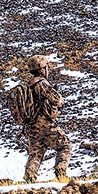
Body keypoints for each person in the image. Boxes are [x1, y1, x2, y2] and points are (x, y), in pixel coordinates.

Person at [23, 54, 71, 183]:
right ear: (42, 69)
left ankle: (30, 178)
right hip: (45, 124)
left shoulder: (28, 85)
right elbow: (57, 99)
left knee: (35, 154)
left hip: (32, 127)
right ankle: (60, 172)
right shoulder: (42, 83)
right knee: (65, 146)